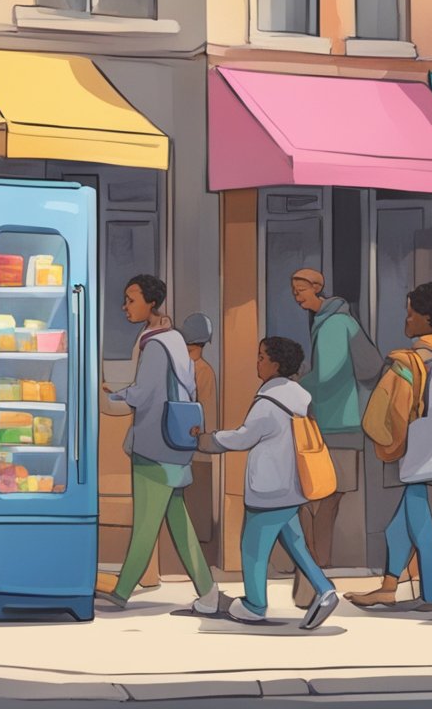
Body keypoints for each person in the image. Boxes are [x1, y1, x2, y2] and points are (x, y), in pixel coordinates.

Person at [194, 336, 340, 629]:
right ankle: (324, 590)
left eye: (262, 357)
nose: (257, 362)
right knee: (296, 544)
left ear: (275, 364)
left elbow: (243, 437)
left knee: (252, 547)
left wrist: (206, 440)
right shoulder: (300, 397)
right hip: (293, 487)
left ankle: (255, 605)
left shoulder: (268, 403)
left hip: (269, 489)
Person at [94, 275, 220, 614]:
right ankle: (208, 591)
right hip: (175, 442)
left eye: (131, 299)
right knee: (177, 520)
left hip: (154, 443)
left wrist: (112, 392)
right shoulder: (175, 340)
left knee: (146, 523)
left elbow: (144, 392)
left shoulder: (154, 344)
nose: (125, 306)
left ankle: (121, 591)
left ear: (151, 302)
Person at [349, 283, 432, 613]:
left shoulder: (428, 364)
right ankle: (388, 588)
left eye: (411, 312)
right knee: (398, 527)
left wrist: (412, 440)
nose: (406, 319)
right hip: (424, 456)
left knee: (420, 527)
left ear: (427, 317)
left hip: (424, 458)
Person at [289, 268, 375, 607]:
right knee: (326, 504)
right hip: (344, 423)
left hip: (333, 426)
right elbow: (369, 367)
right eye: (293, 290)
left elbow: (326, 375)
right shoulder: (338, 321)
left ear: (317, 288)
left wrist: (294, 385)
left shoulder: (333, 325)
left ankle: (313, 581)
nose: (296, 296)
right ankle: (314, 579)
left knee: (318, 505)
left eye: (301, 289)